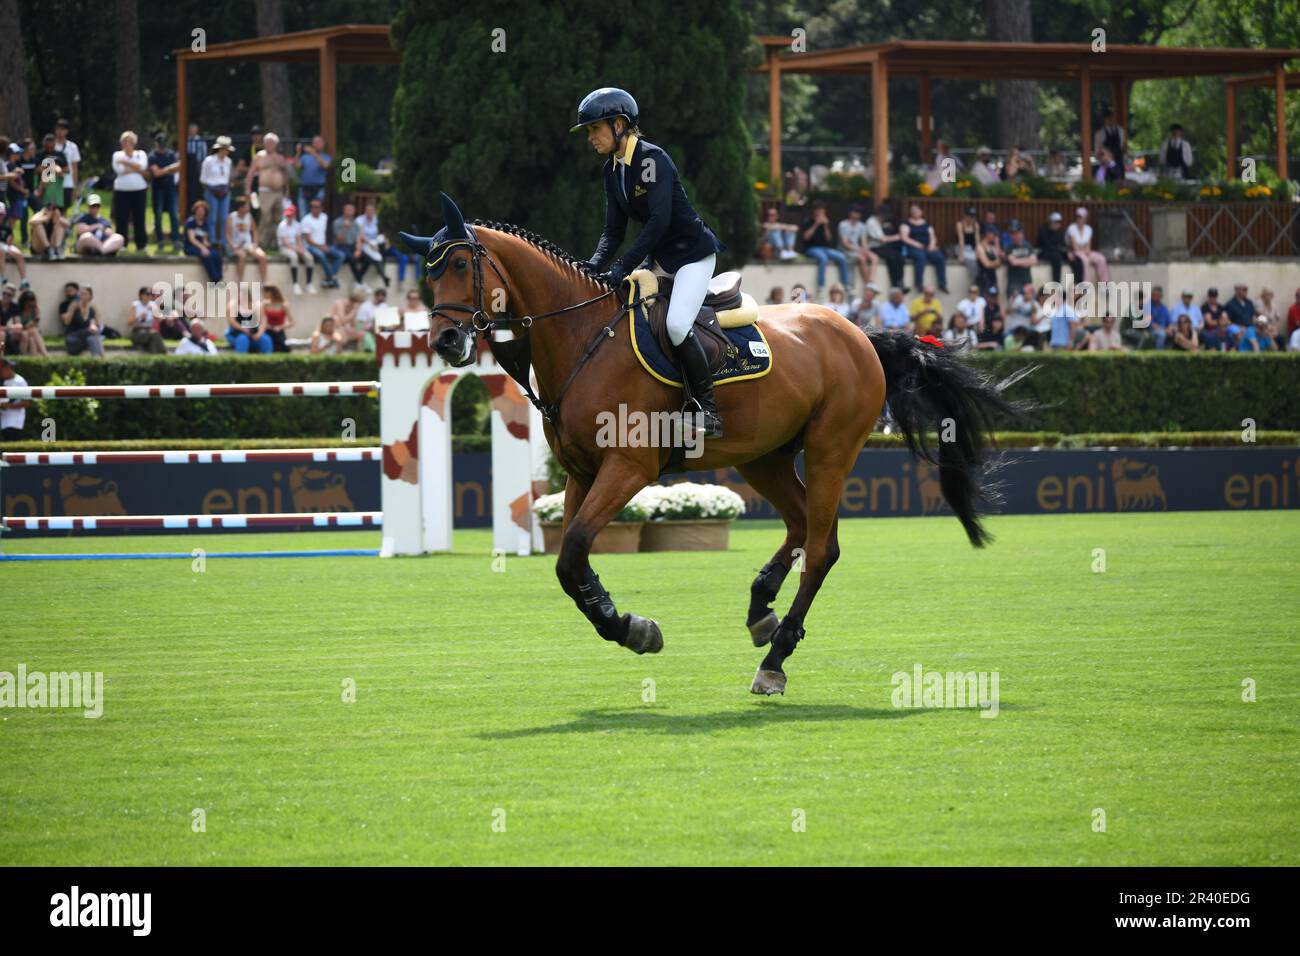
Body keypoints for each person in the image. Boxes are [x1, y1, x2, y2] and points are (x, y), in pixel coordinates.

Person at [575, 87, 728, 437]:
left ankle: (708, 410)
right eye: (588, 131)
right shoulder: (611, 170)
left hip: (691, 256)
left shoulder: (650, 159)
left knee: (675, 325)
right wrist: (594, 264)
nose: (590, 137)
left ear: (618, 125)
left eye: (595, 129)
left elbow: (659, 221)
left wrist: (623, 265)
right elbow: (612, 230)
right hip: (660, 258)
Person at [245, 132, 290, 248]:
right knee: (265, 216)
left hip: (279, 192)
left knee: (278, 218)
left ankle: (275, 243)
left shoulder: (280, 158)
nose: (269, 144)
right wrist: (247, 190)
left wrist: (287, 191)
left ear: (276, 144)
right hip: (265, 191)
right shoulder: (260, 156)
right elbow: (250, 173)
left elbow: (285, 175)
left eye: (272, 143)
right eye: (267, 142)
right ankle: (261, 242)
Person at [798, 200, 850, 297]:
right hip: (811, 248)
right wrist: (816, 224)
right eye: (819, 211)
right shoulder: (808, 221)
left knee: (842, 258)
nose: (821, 214)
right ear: (815, 212)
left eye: (823, 211)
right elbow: (805, 237)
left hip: (825, 248)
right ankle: (821, 285)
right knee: (823, 258)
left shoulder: (825, 222)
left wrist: (825, 226)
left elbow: (829, 239)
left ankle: (845, 285)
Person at [111, 131, 150, 250]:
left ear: (133, 143)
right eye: (123, 142)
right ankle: (122, 244)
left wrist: (125, 163)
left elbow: (143, 167)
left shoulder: (141, 154)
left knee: (139, 217)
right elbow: (119, 170)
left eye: (128, 142)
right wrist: (135, 168)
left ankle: (141, 244)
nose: (125, 144)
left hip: (139, 190)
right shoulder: (117, 155)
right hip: (121, 190)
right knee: (121, 217)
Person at [899, 202, 947, 292]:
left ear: (921, 212)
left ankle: (942, 284)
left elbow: (933, 237)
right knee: (921, 258)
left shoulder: (927, 225)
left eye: (916, 211)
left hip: (927, 247)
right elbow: (904, 237)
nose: (914, 213)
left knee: (940, 257)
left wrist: (932, 245)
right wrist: (916, 244)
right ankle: (919, 284)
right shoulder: (906, 224)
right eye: (912, 211)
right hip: (912, 248)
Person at [148, 132, 182, 250]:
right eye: (160, 144)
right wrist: (169, 169)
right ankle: (160, 240)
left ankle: (176, 240)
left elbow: (178, 166)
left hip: (171, 189)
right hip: (158, 190)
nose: (162, 146)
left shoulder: (171, 154)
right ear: (156, 144)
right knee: (158, 215)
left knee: (174, 215)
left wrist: (164, 170)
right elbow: (156, 173)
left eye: (163, 144)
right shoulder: (152, 156)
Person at [200, 135, 234, 250]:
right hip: (212, 190)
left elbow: (228, 178)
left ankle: (224, 242)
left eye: (227, 150)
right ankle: (212, 240)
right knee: (212, 218)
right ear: (219, 149)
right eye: (224, 149)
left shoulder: (228, 161)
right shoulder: (209, 161)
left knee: (224, 217)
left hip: (224, 191)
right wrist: (212, 189)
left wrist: (226, 188)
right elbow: (203, 179)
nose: (226, 152)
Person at [301, 197, 343, 289]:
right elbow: (308, 240)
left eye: (317, 207)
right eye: (313, 207)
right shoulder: (306, 220)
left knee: (340, 255)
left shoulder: (324, 217)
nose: (315, 209)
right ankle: (333, 278)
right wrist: (321, 246)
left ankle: (329, 278)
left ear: (321, 208)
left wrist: (325, 245)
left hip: (323, 245)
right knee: (321, 255)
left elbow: (325, 233)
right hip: (310, 246)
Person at [226, 195, 268, 285]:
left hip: (248, 245)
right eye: (246, 206)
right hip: (236, 246)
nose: (248, 208)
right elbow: (228, 234)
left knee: (262, 256)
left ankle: (263, 282)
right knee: (242, 256)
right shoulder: (231, 217)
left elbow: (255, 232)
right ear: (240, 208)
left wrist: (255, 243)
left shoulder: (249, 217)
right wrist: (233, 246)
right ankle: (240, 282)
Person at [866, 204, 907, 291]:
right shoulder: (871, 222)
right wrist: (897, 237)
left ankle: (899, 281)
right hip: (874, 248)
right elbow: (882, 240)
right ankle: (896, 283)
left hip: (881, 247)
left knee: (899, 257)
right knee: (892, 257)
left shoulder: (878, 222)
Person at [277, 203, 313, 294]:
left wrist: (301, 248)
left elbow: (298, 239)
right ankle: (295, 284)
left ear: (294, 215)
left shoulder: (297, 225)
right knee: (294, 257)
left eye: (290, 215)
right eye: (287, 215)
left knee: (309, 257)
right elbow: (286, 243)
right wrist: (297, 249)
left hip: (295, 247)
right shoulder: (282, 226)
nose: (288, 217)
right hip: (285, 248)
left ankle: (309, 284)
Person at [837, 205, 876, 291]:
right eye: (856, 212)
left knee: (874, 257)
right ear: (851, 213)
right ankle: (867, 285)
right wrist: (859, 250)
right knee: (862, 258)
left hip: (857, 250)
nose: (858, 215)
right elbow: (845, 244)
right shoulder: (843, 225)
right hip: (845, 251)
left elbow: (864, 241)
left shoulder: (861, 226)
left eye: (859, 213)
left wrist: (865, 250)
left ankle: (871, 281)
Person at [358, 201, 396, 287]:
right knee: (376, 257)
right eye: (367, 210)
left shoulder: (377, 219)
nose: (369, 212)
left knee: (382, 246)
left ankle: (383, 273)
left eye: (371, 210)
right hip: (365, 242)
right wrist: (371, 244)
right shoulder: (360, 220)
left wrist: (387, 242)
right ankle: (383, 276)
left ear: (374, 211)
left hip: (375, 241)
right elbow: (361, 235)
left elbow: (382, 232)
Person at [184, 200, 223, 282]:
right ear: (195, 211)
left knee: (216, 254)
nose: (201, 212)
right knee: (207, 255)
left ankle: (219, 277)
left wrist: (209, 245)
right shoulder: (191, 222)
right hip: (191, 246)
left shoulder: (206, 224)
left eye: (203, 211)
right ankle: (214, 278)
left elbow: (205, 240)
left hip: (201, 246)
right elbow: (192, 239)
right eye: (199, 210)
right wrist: (202, 248)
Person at [1066, 208, 1109, 283]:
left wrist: (1086, 251)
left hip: (1085, 252)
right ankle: (1086, 285)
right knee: (1084, 260)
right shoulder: (1071, 228)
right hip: (1074, 252)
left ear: (1085, 219)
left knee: (1101, 259)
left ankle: (1105, 284)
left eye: (1082, 218)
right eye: (1078, 217)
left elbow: (1089, 246)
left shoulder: (1088, 229)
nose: (1080, 220)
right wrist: (1084, 251)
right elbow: (1075, 247)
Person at [62, 285, 104, 357]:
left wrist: (94, 324)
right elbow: (66, 322)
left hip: (86, 338)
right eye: (81, 294)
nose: (82, 296)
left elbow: (97, 324)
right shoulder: (74, 306)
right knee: (92, 332)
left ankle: (97, 360)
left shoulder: (92, 308)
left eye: (85, 294)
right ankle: (103, 358)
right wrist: (72, 309)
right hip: (73, 337)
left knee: (92, 338)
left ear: (90, 296)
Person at [226, 288, 272, 353]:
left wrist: (259, 334)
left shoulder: (257, 305)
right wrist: (245, 330)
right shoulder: (232, 305)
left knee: (266, 339)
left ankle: (267, 361)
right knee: (242, 339)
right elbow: (232, 322)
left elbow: (263, 321)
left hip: (254, 332)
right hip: (237, 334)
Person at [294, 135, 333, 212]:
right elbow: (297, 166)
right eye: (315, 142)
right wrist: (298, 152)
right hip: (304, 190)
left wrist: (313, 153)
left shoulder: (326, 157)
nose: (316, 144)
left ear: (323, 144)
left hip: (318, 190)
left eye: (319, 142)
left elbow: (325, 165)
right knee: (303, 216)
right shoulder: (305, 156)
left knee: (316, 216)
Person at [52, 118, 80, 210]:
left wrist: (75, 187)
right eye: (58, 129)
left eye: (63, 130)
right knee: (51, 210)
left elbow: (74, 168)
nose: (60, 132)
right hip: (53, 183)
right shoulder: (51, 145)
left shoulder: (72, 147)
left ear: (67, 131)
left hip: (67, 183)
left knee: (64, 210)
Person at [0, 354, 29, 440]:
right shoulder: (3, 381)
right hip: (4, 421)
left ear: (7, 368)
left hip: (14, 422)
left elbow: (26, 403)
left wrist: (8, 406)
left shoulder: (20, 381)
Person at [129, 285, 166, 353]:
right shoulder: (135, 305)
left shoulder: (152, 305)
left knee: (154, 338)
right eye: (148, 294)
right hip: (137, 332)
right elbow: (129, 322)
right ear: (141, 295)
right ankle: (165, 354)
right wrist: (139, 316)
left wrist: (157, 314)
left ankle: (155, 356)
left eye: (151, 294)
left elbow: (160, 320)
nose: (150, 296)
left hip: (149, 332)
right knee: (155, 335)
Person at [0, 203, 28, 287]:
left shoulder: (6, 227)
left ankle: (24, 281)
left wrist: (10, 240)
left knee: (19, 254)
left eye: (1, 214)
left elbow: (10, 238)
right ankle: (2, 277)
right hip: (1, 248)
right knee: (1, 252)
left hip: (4, 245)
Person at [262, 284, 294, 352]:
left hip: (279, 333)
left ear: (270, 292)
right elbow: (261, 320)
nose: (263, 294)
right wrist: (266, 326)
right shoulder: (265, 305)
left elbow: (292, 322)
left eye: (265, 292)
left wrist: (280, 327)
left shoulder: (283, 305)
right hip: (267, 331)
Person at [955, 206, 980, 284]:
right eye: (970, 216)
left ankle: (980, 280)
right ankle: (975, 281)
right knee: (971, 261)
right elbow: (961, 239)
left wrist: (978, 252)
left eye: (973, 216)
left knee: (979, 260)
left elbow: (977, 240)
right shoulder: (959, 224)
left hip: (972, 249)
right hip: (961, 248)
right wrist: (961, 254)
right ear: (965, 216)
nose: (971, 218)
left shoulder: (975, 225)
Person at [1144, 285, 1172, 350]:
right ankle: (1159, 354)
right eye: (1153, 295)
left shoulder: (1164, 308)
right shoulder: (1147, 306)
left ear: (1161, 296)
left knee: (1175, 333)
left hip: (1164, 329)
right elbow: (1152, 324)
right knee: (1162, 334)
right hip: (1151, 331)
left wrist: (1170, 329)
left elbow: (1169, 322)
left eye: (1157, 295)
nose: (1155, 297)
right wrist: (1165, 330)